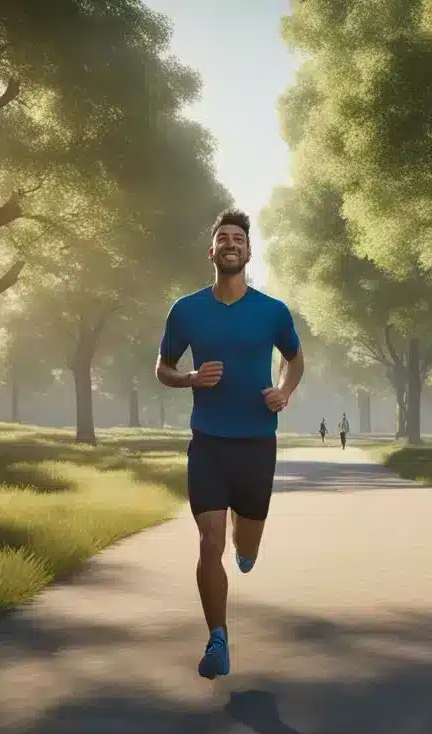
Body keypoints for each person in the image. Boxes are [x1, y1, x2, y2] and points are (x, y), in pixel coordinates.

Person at [155, 208, 305, 679]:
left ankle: (248, 543)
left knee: (246, 547)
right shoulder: (186, 310)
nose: (230, 244)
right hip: (209, 444)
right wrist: (190, 379)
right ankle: (217, 638)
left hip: (258, 443)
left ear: (248, 250)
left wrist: (284, 391)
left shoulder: (272, 311)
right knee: (208, 542)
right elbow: (162, 367)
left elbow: (295, 361)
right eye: (223, 237)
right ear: (212, 251)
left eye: (238, 238)